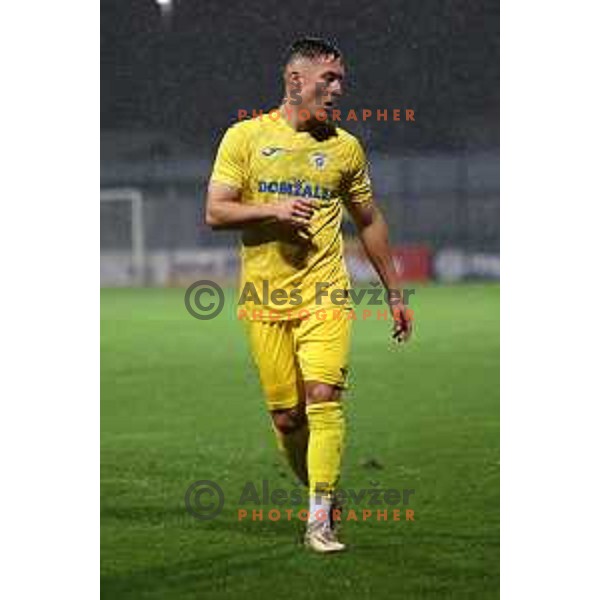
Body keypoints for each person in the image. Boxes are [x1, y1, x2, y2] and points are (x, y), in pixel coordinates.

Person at [205, 37, 412, 552]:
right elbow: (216, 212)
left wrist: (394, 291)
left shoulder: (345, 147)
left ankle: (319, 518)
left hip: (326, 295)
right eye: (330, 79)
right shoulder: (245, 138)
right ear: (296, 80)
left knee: (322, 397)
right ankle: (320, 491)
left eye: (341, 79)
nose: (339, 89)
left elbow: (369, 220)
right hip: (264, 299)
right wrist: (273, 211)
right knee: (287, 417)